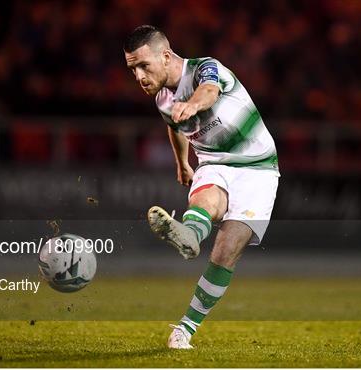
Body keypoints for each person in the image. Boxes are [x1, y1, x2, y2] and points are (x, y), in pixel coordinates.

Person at [123, 25, 280, 349]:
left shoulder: (206, 68)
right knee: (208, 201)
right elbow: (174, 127)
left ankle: (187, 326)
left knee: (226, 250)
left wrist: (193, 105)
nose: (138, 76)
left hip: (259, 168)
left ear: (165, 56)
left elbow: (209, 91)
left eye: (143, 65)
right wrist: (182, 162)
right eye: (132, 69)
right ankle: (190, 236)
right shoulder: (163, 99)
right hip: (214, 162)